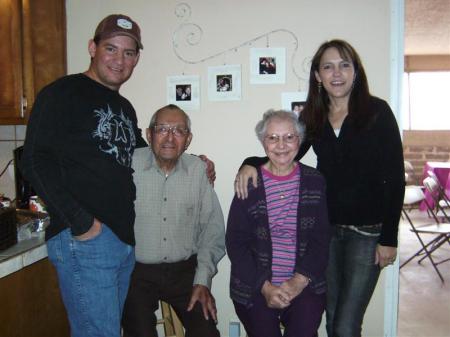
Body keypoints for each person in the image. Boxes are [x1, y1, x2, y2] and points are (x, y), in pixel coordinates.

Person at [235, 39, 405, 337]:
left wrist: (389, 236)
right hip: (327, 232)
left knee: (346, 325)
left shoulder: (377, 112)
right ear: (317, 75)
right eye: (328, 66)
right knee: (331, 319)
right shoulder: (314, 116)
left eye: (344, 65)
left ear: (355, 72)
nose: (336, 73)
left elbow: (394, 176)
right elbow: (287, 153)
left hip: (367, 234)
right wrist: (250, 161)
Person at [21, 14, 146, 337]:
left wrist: (195, 161)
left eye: (129, 53)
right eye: (111, 48)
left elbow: (144, 155)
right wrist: (82, 224)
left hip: (121, 240)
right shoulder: (61, 93)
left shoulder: (124, 108)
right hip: (87, 239)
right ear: (92, 48)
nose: (120, 60)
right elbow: (34, 160)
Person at [122, 104, 225, 337]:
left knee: (206, 331)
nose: (169, 137)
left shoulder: (198, 170)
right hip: (136, 272)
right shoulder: (127, 166)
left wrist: (203, 280)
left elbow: (213, 230)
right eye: (162, 129)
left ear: (188, 139)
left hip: (185, 272)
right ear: (149, 134)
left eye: (178, 131)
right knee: (139, 332)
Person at [227, 109, 330, 337]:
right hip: (255, 283)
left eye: (289, 137)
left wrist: (297, 282)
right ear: (263, 143)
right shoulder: (249, 182)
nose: (281, 145)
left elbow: (321, 240)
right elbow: (236, 243)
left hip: (304, 282)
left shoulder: (315, 181)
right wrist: (265, 287)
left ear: (299, 141)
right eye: (273, 138)